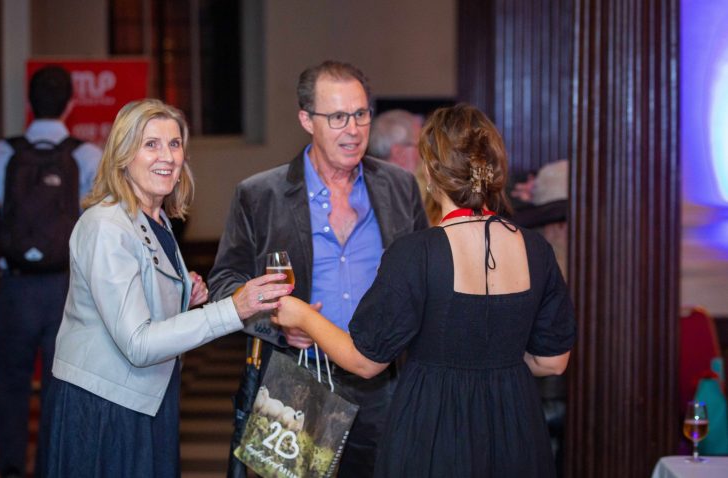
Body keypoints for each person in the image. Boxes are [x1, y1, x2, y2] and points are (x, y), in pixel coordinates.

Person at [272, 103, 577, 477]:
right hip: (515, 427)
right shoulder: (536, 251)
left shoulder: (416, 253)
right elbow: (552, 361)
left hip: (434, 428)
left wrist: (301, 313)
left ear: (431, 173)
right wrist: (497, 360)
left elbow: (366, 360)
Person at [36, 99, 292, 477]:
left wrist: (182, 295)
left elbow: (134, 298)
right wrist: (232, 309)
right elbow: (138, 343)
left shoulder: (155, 218)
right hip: (104, 407)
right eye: (151, 144)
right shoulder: (106, 225)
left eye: (174, 144)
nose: (167, 156)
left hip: (146, 397)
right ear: (123, 155)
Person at [208, 60, 428, 477]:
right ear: (306, 119)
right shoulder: (260, 195)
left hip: (385, 380)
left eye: (361, 114)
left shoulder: (399, 187)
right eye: (338, 117)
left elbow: (423, 276)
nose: (354, 129)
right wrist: (275, 322)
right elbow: (225, 283)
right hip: (297, 375)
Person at [0, 65, 102, 478]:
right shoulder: (86, 156)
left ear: (28, 104)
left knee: (12, 385)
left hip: (15, 290)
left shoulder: (4, 154)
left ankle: (12, 468)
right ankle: (55, 467)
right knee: (62, 385)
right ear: (71, 103)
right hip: (65, 291)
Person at [369, 109, 437, 225]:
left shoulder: (365, 188)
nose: (425, 154)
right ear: (399, 153)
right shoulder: (401, 199)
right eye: (420, 145)